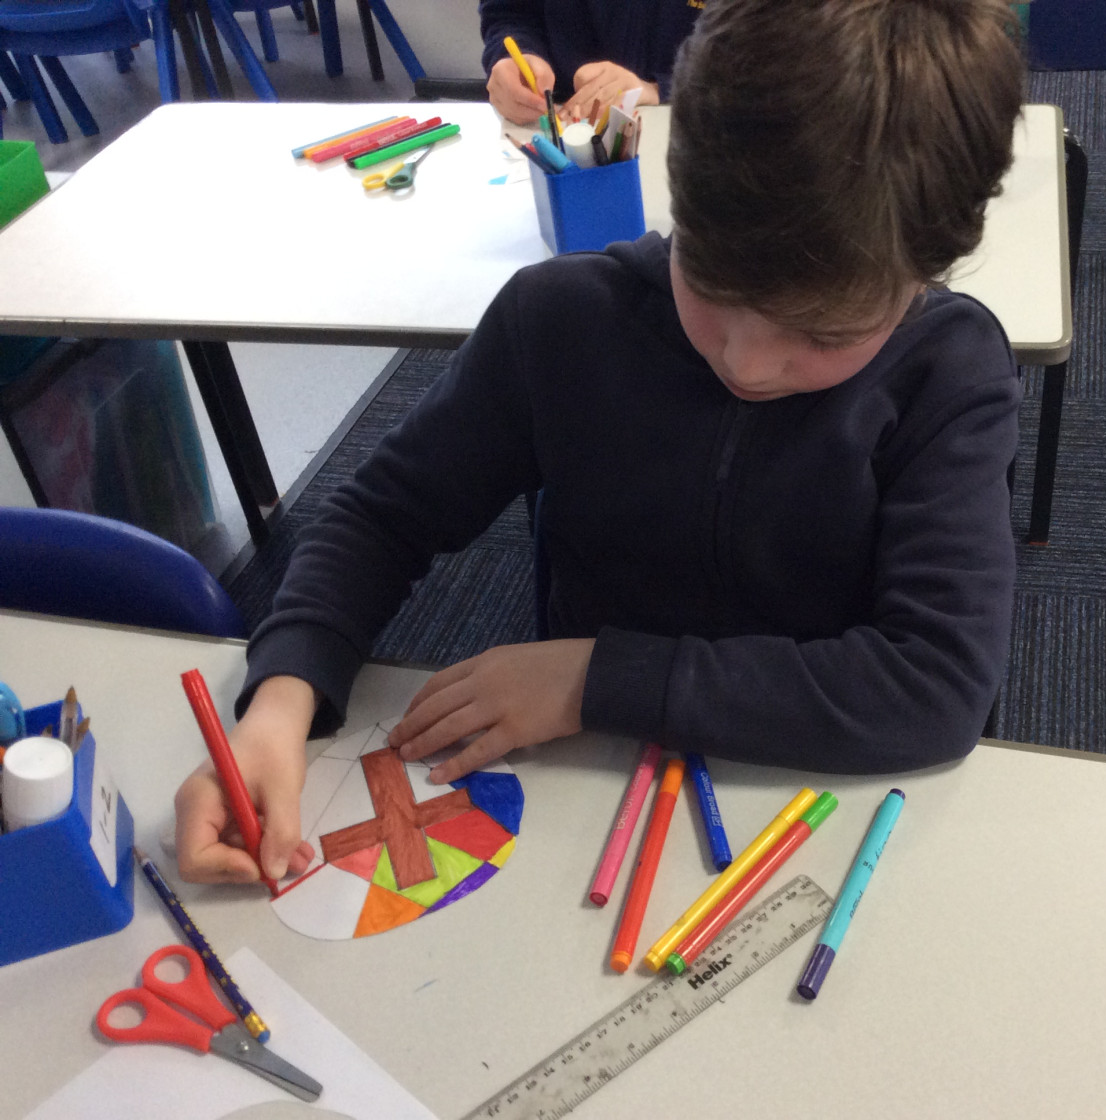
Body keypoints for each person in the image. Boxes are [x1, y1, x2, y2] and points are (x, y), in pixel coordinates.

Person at [175, 0, 1028, 885]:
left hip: (818, 803)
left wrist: (596, 680)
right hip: (586, 793)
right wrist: (281, 702)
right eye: (711, 288)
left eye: (819, 336)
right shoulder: (561, 320)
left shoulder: (946, 374)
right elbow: (383, 515)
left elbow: (936, 684)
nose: (746, 362)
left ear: (920, 280)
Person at [481, 0, 703, 124]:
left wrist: (662, 87)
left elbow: (726, 59)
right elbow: (508, 13)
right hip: (556, 121)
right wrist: (518, 56)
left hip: (687, 121)